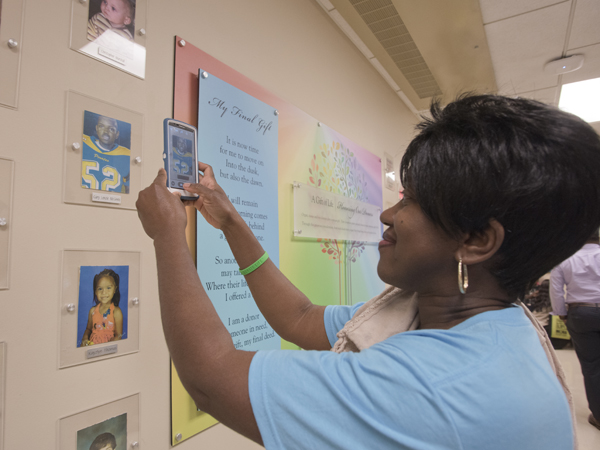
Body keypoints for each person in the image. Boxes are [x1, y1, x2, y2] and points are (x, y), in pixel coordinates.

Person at [136, 94, 600, 449]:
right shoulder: (479, 318)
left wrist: (167, 237)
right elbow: (298, 318)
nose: (387, 216)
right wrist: (231, 222)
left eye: (412, 201)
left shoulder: (437, 386)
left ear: (476, 240)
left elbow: (212, 380)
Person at [550, 229, 600, 431]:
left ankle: (598, 416)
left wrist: (561, 313)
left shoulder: (565, 259)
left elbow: (556, 290)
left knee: (591, 365)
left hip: (581, 313)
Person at [81, 114, 130, 194]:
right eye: (101, 126)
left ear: (117, 134)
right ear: (96, 128)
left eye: (111, 129)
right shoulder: (83, 142)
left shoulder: (126, 155)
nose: (106, 131)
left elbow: (129, 189)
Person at [81, 269, 123, 346]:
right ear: (95, 291)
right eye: (100, 289)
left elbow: (119, 335)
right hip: (92, 348)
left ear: (115, 289)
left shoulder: (116, 312)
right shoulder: (92, 311)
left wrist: (108, 347)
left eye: (108, 288)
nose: (104, 292)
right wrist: (85, 338)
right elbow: (88, 329)